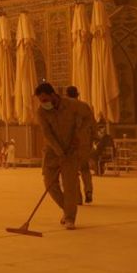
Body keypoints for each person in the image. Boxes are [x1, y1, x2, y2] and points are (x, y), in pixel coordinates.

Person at [35, 83, 93, 230]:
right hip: (52, 152)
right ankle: (67, 209)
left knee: (70, 186)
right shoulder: (41, 112)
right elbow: (47, 133)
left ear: (53, 95)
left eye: (45, 100)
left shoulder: (72, 105)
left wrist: (79, 134)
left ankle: (70, 218)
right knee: (49, 183)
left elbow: (88, 116)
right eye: (41, 101)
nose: (44, 103)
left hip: (72, 151)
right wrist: (59, 151)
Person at [65, 86, 95, 204]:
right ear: (77, 94)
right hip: (84, 143)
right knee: (85, 168)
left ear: (67, 95)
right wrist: (92, 139)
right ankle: (88, 190)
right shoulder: (85, 106)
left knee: (73, 172)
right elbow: (93, 124)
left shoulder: (65, 108)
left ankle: (78, 197)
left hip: (71, 144)